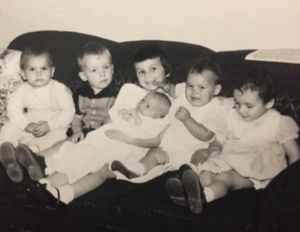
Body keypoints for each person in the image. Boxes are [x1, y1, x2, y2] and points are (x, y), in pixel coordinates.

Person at [12, 46, 174, 204]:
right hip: (103, 138)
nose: (148, 76)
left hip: (125, 150)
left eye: (153, 69)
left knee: (84, 162)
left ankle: (47, 184)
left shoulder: (172, 105)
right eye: (141, 72)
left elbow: (159, 141)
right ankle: (48, 186)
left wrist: (128, 138)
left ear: (166, 70)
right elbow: (112, 119)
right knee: (76, 157)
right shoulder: (131, 92)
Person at [166, 73, 300, 214]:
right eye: (237, 104)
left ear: (269, 103)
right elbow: (218, 141)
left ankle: (205, 197)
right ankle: (186, 191)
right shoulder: (232, 116)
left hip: (254, 168)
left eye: (248, 106)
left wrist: (288, 184)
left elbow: (294, 154)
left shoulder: (278, 122)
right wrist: (214, 150)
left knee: (226, 179)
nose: (241, 110)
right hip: (228, 158)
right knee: (207, 173)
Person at [110, 59, 234, 181]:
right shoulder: (184, 95)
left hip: (194, 150)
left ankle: (188, 174)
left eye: (201, 87)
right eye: (190, 85)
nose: (194, 91)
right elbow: (173, 90)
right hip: (170, 148)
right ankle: (137, 169)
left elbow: (206, 135)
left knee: (203, 155)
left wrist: (187, 119)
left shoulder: (216, 109)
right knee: (154, 153)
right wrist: (166, 86)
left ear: (216, 90)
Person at [0, 45, 75, 183]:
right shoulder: (22, 89)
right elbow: (12, 109)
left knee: (60, 143)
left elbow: (69, 111)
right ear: (23, 74)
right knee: (8, 127)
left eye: (43, 69)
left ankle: (32, 159)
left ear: (52, 71)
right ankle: (7, 154)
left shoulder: (59, 89)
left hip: (53, 124)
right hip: (30, 122)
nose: (38, 74)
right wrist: (26, 124)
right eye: (32, 69)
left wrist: (50, 125)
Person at [70, 42, 116, 144]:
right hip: (82, 132)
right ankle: (38, 157)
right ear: (83, 76)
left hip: (103, 138)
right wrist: (77, 131)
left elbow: (113, 121)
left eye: (106, 67)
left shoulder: (115, 96)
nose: (102, 73)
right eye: (94, 70)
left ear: (112, 69)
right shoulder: (80, 94)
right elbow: (76, 118)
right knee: (65, 143)